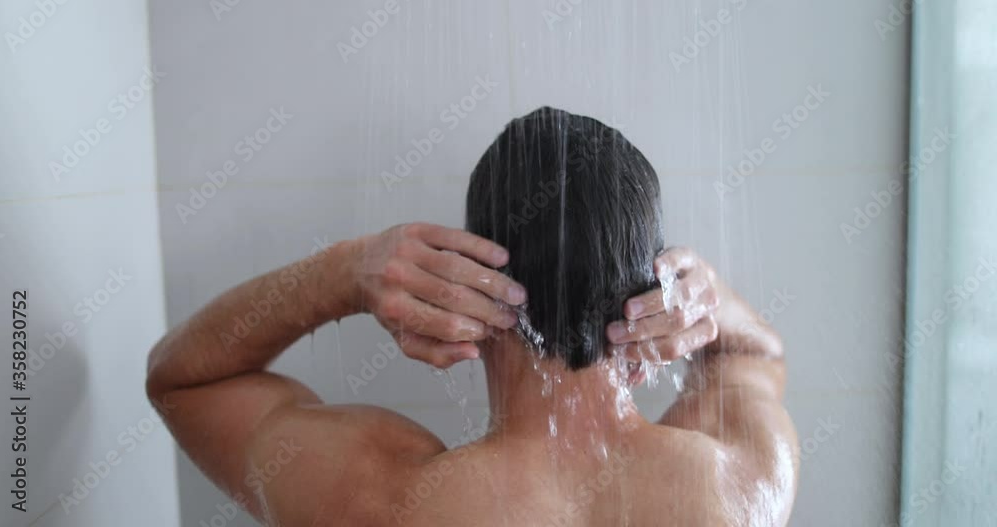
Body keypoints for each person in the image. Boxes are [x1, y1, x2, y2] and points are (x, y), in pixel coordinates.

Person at [146, 107, 798, 526]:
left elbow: (184, 382)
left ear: (466, 281)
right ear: (654, 282)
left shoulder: (387, 500)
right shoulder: (737, 485)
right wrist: (707, 295)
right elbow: (757, 355)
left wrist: (345, 273)